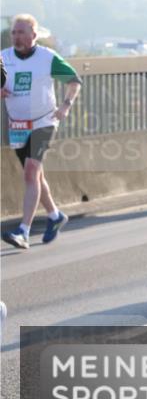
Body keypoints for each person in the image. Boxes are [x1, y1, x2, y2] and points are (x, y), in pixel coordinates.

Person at [1, 14, 81, 250]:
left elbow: (74, 81)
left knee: (30, 173)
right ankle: (55, 216)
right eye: (14, 32)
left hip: (44, 121)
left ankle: (23, 231)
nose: (17, 36)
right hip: (17, 124)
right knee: (36, 177)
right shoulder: (3, 58)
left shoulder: (47, 58)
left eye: (22, 32)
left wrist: (65, 106)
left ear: (34, 35)